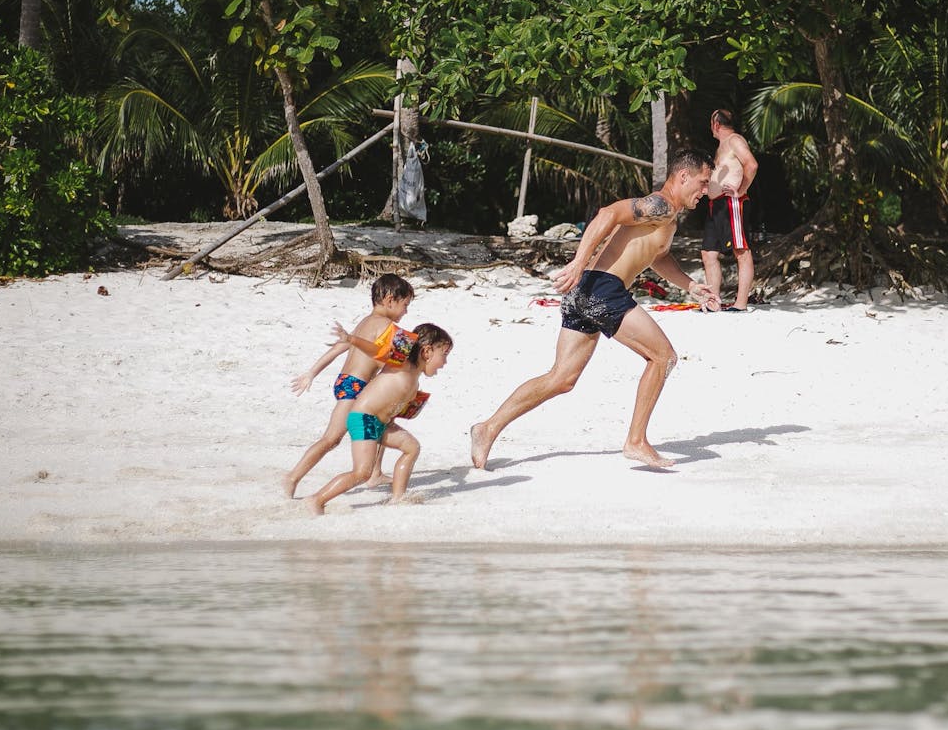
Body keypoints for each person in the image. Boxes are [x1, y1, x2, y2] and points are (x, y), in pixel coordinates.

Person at [470, 148, 719, 471]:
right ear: (683, 176)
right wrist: (578, 261)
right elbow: (607, 214)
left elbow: (657, 257)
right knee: (663, 357)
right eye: (702, 182)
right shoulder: (660, 205)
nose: (705, 190)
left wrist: (691, 286)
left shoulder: (667, 218)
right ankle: (636, 441)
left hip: (586, 290)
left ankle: (487, 428)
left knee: (561, 378)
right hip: (602, 288)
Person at [283, 273, 413, 498]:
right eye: (405, 305)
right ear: (390, 300)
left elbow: (339, 347)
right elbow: (397, 357)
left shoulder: (365, 322)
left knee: (383, 420)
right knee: (331, 438)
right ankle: (292, 477)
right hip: (355, 385)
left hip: (348, 382)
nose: (406, 311)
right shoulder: (386, 326)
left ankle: (375, 473)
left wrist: (312, 372)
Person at [308, 323, 453, 515]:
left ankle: (398, 497)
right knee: (362, 472)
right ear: (427, 352)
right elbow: (378, 351)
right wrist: (351, 339)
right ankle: (317, 500)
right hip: (364, 419)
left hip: (382, 424)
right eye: (444, 354)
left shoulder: (414, 379)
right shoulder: (400, 363)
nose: (445, 362)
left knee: (412, 448)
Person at [701, 109, 760, 311]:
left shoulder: (735, 140)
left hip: (731, 202)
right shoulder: (722, 146)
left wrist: (741, 189)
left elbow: (751, 165)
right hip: (716, 205)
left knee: (741, 250)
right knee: (708, 253)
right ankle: (714, 301)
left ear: (716, 125)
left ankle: (741, 303)